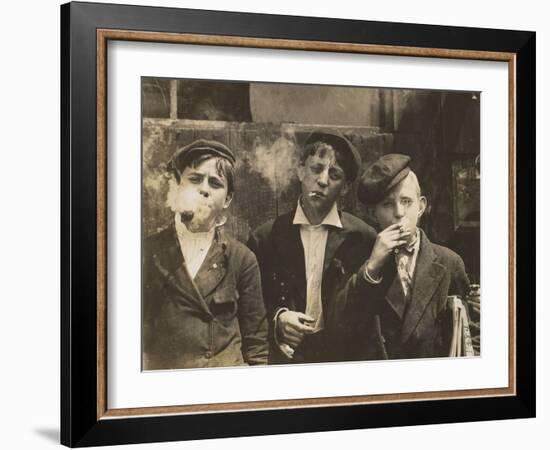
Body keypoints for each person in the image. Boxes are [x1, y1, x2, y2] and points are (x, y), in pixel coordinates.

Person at [248, 131, 377, 364]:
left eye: (334, 174)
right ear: (300, 171)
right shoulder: (266, 238)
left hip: (343, 361)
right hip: (286, 361)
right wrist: (278, 318)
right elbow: (251, 305)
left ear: (346, 188)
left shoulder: (363, 239)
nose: (323, 180)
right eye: (316, 169)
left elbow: (369, 311)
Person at [142, 139, 268, 369]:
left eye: (215, 183)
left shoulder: (242, 259)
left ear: (228, 199)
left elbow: (256, 345)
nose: (204, 189)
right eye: (195, 179)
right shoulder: (148, 253)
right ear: (178, 185)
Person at [332, 153, 471, 360]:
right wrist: (371, 268)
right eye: (387, 204)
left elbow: (468, 333)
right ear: (373, 214)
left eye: (406, 201)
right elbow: (339, 326)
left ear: (421, 206)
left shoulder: (449, 262)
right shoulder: (357, 260)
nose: (399, 213)